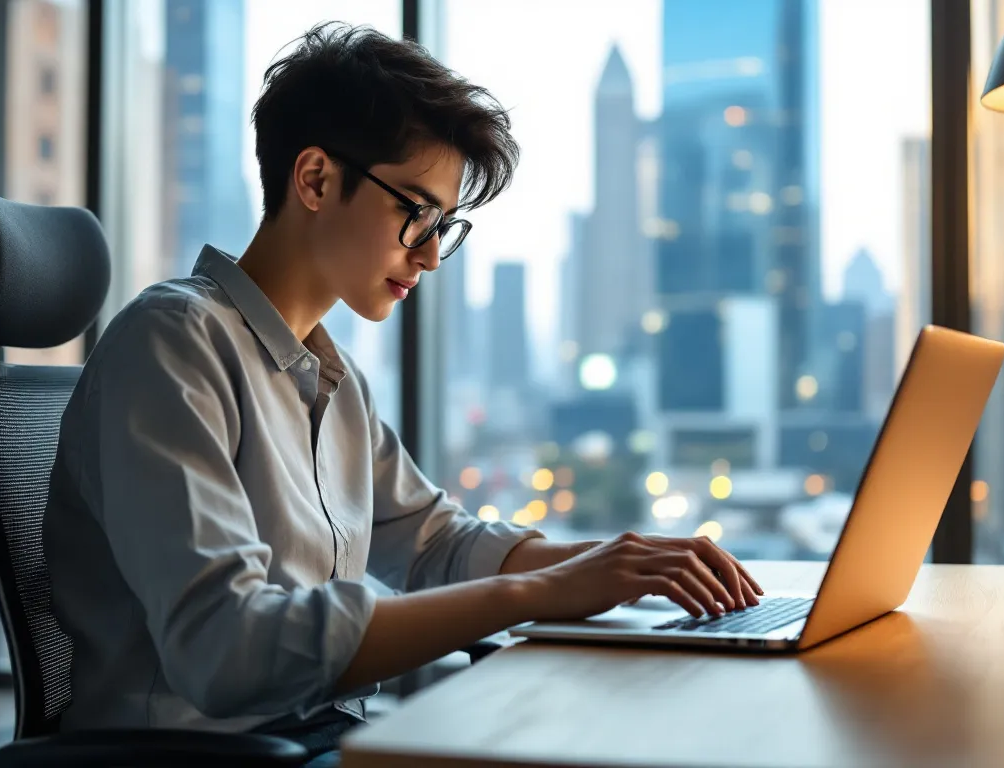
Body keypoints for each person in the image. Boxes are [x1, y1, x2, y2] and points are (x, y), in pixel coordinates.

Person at [42, 22, 763, 768]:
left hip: (316, 737)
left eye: (443, 226)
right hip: (201, 756)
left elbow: (434, 545)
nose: (428, 254)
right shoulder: (173, 343)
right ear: (316, 179)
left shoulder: (330, 379)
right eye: (414, 211)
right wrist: (538, 594)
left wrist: (616, 564)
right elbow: (229, 650)